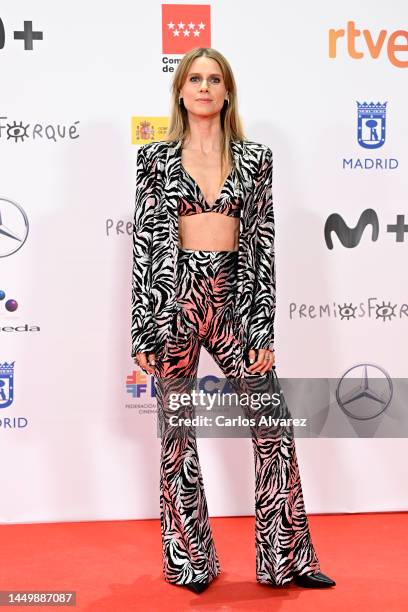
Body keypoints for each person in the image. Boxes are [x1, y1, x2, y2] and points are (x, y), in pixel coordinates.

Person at [131, 47, 335, 594]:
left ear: (227, 92)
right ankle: (189, 561)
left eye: (213, 79)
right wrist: (142, 329)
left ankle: (287, 559)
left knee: (273, 428)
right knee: (177, 434)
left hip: (235, 304)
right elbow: (148, 244)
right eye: (194, 78)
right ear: (180, 90)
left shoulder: (255, 159)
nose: (203, 87)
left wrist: (262, 327)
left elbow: (262, 247)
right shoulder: (153, 161)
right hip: (173, 303)